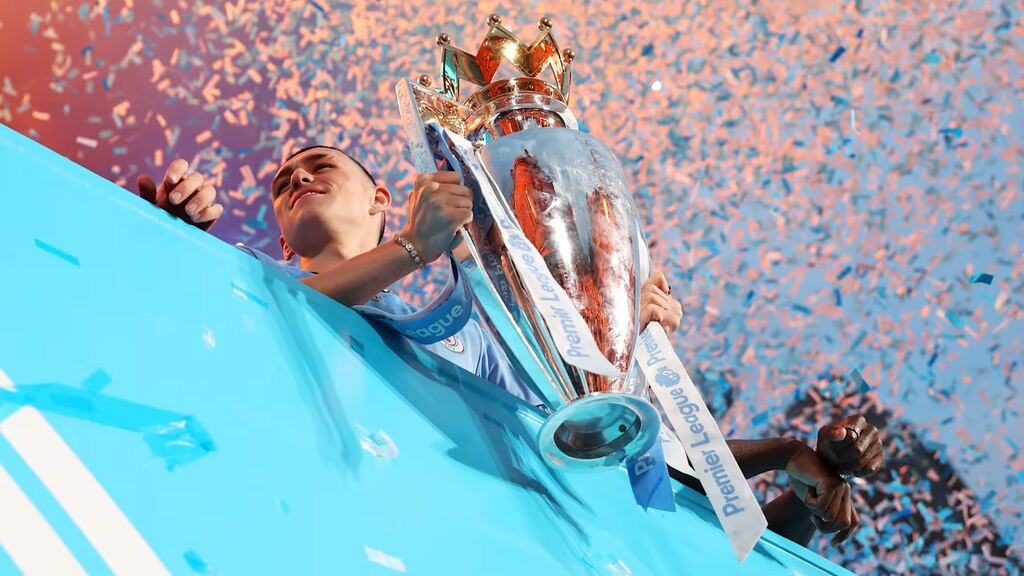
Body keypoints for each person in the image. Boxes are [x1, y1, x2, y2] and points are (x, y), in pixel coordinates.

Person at [136, 145, 884, 546]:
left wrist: (795, 470)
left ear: (380, 196)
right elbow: (228, 335)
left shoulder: (489, 322)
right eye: (282, 183)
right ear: (276, 239)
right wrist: (160, 232)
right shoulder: (247, 287)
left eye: (319, 167)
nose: (296, 177)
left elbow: (661, 506)